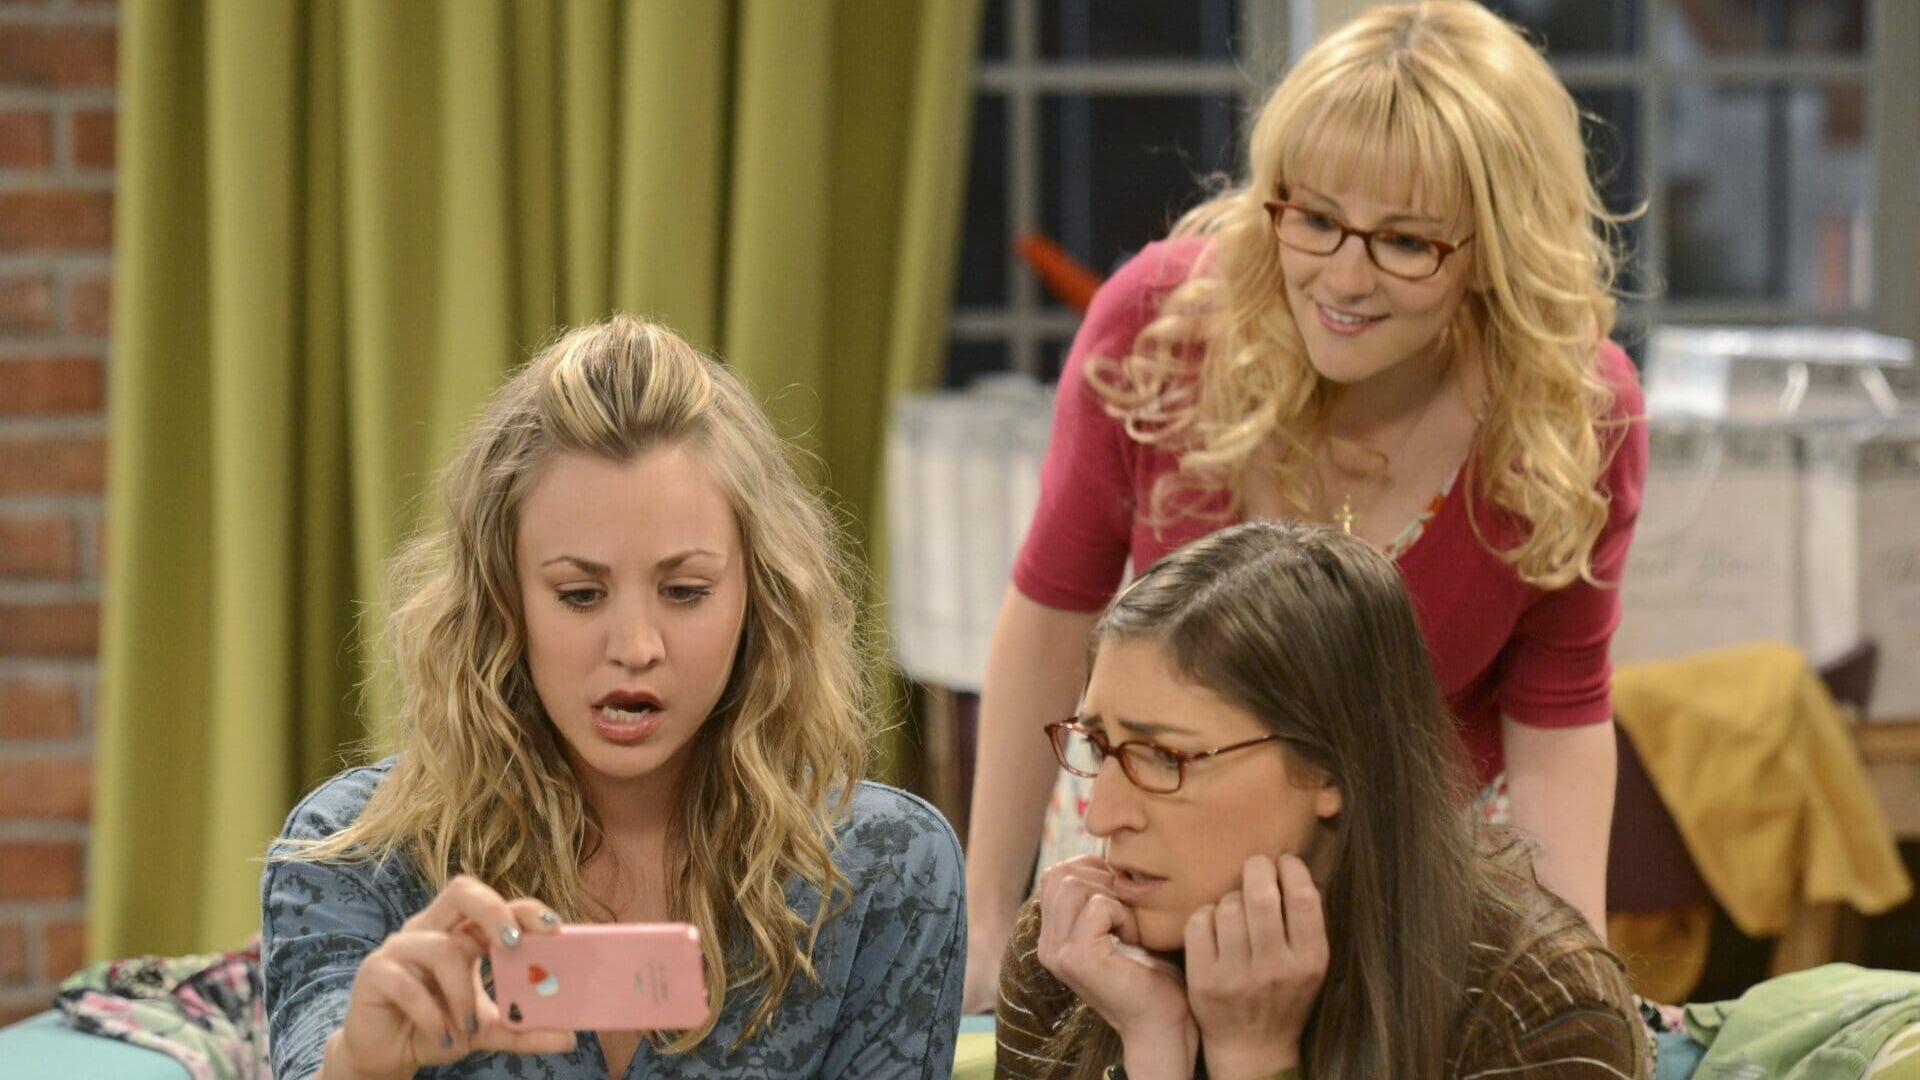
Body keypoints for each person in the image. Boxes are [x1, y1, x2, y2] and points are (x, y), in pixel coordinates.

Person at [964, 0, 1647, 1010]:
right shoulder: (1159, 330)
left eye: (1405, 242)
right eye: (1316, 219)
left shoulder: (1571, 414)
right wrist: (985, 923)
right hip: (1151, 833)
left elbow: (1559, 719)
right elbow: (1051, 619)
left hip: (1416, 866)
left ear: (1497, 249)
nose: (1344, 278)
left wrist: (1574, 985)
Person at [261, 316, 965, 1079]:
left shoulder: (885, 870)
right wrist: (361, 1069)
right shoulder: (357, 853)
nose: (635, 646)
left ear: (760, 597)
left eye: (684, 591)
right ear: (502, 600)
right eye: (581, 594)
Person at [994, 521, 1650, 1079]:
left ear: (1330, 767)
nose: (1103, 815)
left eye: (1166, 756)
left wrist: (1253, 1061)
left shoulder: (1540, 1012)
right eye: (1100, 747)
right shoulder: (1072, 956)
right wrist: (1153, 1044)